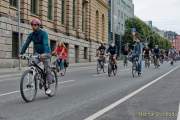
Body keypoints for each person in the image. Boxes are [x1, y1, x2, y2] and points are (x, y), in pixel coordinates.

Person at [20, 18, 52, 95]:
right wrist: (21, 53)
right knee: (31, 63)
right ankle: (39, 78)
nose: (33, 26)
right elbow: (26, 43)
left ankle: (48, 87)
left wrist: (45, 54)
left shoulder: (44, 34)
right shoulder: (32, 35)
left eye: (35, 25)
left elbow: (45, 44)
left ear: (38, 25)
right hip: (37, 53)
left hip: (46, 53)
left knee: (47, 68)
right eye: (32, 25)